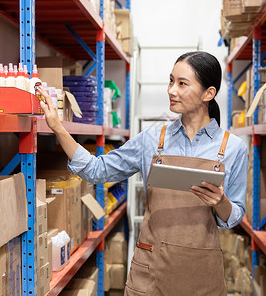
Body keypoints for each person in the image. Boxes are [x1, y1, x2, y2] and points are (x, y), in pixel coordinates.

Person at [39, 51, 247, 295]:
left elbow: (234, 216)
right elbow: (97, 170)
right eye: (171, 81)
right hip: (150, 269)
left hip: (201, 273)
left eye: (182, 84)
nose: (171, 90)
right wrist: (58, 127)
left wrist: (221, 202)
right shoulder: (152, 139)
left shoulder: (232, 148)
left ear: (208, 94)